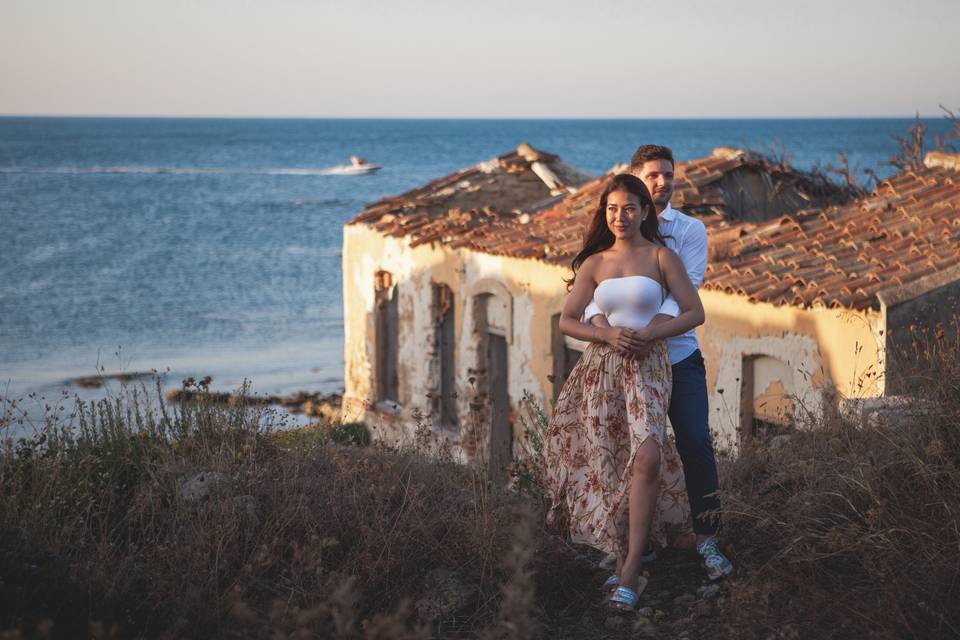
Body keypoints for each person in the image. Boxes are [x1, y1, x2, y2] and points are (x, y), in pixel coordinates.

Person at [543, 172, 704, 611]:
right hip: (602, 369)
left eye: (629, 208)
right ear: (605, 213)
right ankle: (623, 552)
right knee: (612, 460)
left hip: (650, 368)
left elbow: (695, 312)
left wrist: (653, 332)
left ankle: (633, 565)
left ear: (644, 211)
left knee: (647, 456)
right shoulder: (595, 263)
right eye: (612, 209)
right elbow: (567, 320)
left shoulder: (661, 257)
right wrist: (608, 337)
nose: (620, 216)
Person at [586, 144, 734, 581]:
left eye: (669, 175)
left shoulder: (688, 231)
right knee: (629, 456)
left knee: (694, 444)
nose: (662, 183)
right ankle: (637, 547)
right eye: (652, 175)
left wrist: (646, 334)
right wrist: (605, 327)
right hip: (625, 367)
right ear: (635, 179)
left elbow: (685, 292)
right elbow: (592, 289)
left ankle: (707, 539)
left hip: (679, 357)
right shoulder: (614, 229)